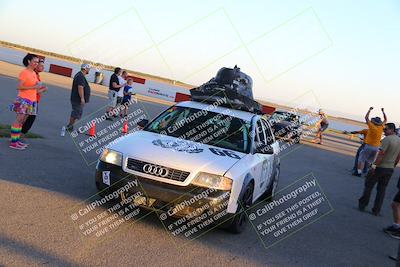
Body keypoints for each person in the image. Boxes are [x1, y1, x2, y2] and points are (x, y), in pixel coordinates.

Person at [358, 123, 400, 216]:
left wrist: (373, 166)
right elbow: (398, 156)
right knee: (381, 190)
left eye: (386, 129)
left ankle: (363, 204)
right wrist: (393, 166)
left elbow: (381, 154)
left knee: (369, 185)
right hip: (389, 169)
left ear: (392, 130)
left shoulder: (387, 139)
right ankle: (376, 210)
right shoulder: (398, 140)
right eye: (384, 129)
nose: (384, 131)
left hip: (380, 168)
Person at [9, 54, 47, 150]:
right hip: (23, 99)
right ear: (29, 61)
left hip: (32, 100)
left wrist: (40, 89)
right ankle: (13, 143)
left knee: (22, 121)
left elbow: (34, 89)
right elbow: (19, 87)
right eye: (35, 61)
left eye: (37, 62)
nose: (36, 63)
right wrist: (34, 87)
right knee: (18, 120)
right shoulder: (24, 72)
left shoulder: (34, 73)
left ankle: (16, 141)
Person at [353, 107, 387, 177]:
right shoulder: (381, 127)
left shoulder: (371, 126)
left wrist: (369, 110)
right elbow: (386, 119)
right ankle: (368, 174)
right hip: (377, 147)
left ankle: (359, 173)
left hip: (368, 146)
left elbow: (366, 117)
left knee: (362, 159)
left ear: (373, 121)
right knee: (370, 161)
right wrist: (383, 112)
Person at [61, 63, 91, 135]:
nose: (89, 70)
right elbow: (80, 87)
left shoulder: (80, 75)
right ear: (85, 69)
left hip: (76, 98)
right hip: (77, 98)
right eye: (88, 69)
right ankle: (69, 126)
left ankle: (70, 125)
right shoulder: (80, 76)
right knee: (75, 112)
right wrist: (82, 98)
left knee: (76, 112)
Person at [21, 58, 46, 138]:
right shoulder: (33, 74)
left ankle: (18, 137)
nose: (43, 67)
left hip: (34, 100)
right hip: (30, 100)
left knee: (28, 119)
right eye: (41, 66)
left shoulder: (36, 75)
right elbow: (33, 90)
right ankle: (17, 138)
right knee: (25, 119)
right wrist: (43, 89)